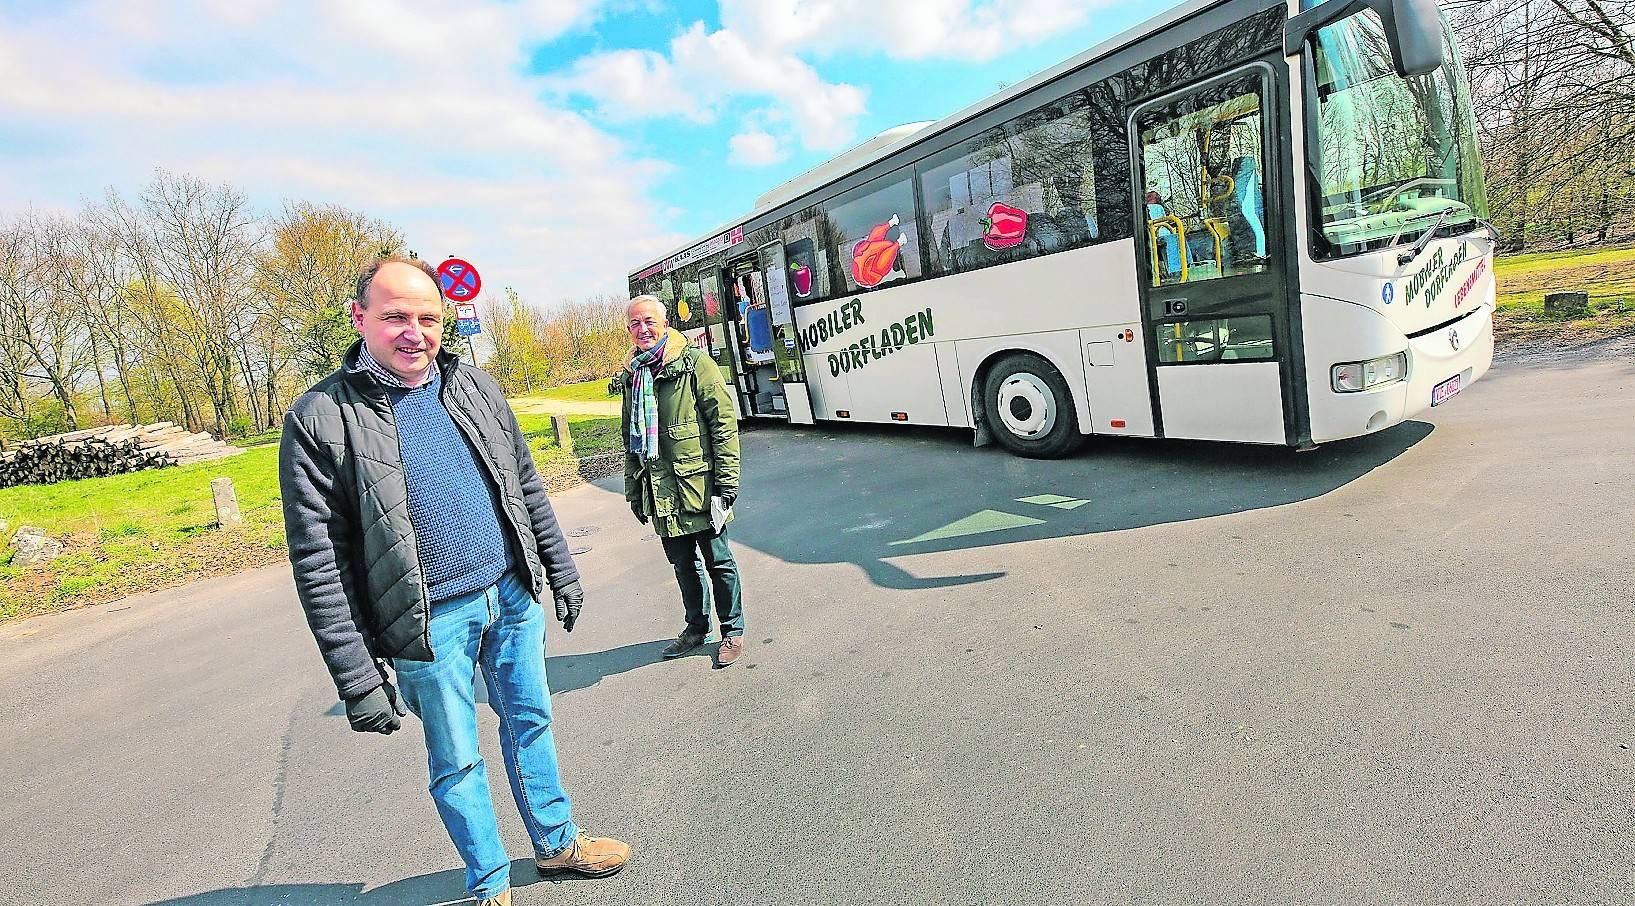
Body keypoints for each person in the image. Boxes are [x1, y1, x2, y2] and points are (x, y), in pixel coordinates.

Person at [278, 257, 629, 906]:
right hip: (427, 624)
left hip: (511, 596)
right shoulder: (321, 418)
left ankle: (556, 844)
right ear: (359, 318)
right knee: (457, 759)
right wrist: (357, 678)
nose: (415, 333)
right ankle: (489, 884)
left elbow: (525, 484)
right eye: (396, 317)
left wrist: (559, 568)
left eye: (428, 318)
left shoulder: (473, 385)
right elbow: (319, 560)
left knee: (532, 721)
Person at [620, 295, 747, 667]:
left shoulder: (695, 364)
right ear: (628, 329)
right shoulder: (632, 375)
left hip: (699, 486)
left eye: (649, 321)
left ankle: (733, 630)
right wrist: (634, 491)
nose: (643, 329)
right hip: (659, 489)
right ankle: (696, 628)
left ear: (664, 323)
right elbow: (631, 440)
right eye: (635, 323)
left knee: (718, 561)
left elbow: (723, 425)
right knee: (682, 564)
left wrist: (727, 484)